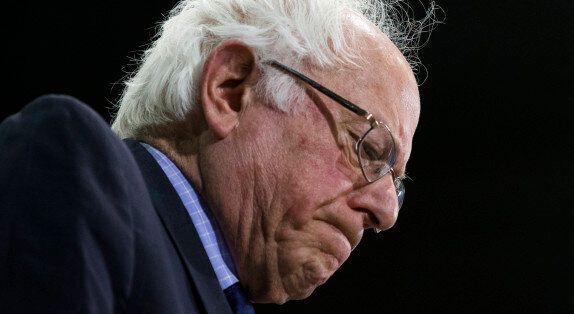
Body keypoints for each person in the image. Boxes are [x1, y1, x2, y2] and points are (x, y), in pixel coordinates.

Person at [0, 0, 434, 312]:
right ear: (230, 90)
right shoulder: (75, 167)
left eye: (394, 184)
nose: (385, 212)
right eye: (370, 150)